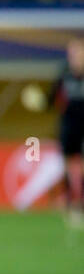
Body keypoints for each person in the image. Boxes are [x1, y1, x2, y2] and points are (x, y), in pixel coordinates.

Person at [54, 38, 84, 227]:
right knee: (66, 163)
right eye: (74, 54)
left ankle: (80, 204)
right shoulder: (64, 75)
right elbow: (51, 98)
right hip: (69, 125)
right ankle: (67, 202)